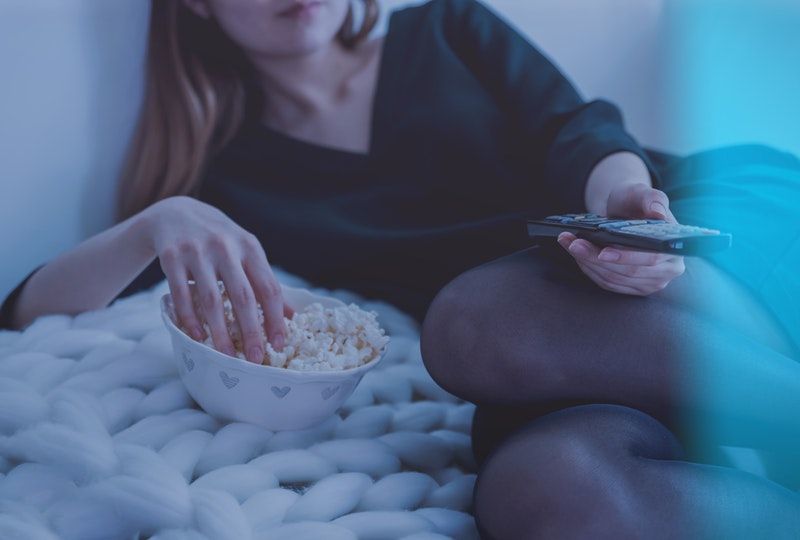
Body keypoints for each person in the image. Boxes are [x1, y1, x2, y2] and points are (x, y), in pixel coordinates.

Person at [1, 0, 798, 537]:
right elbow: (27, 315)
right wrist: (157, 222)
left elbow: (579, 129)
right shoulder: (232, 182)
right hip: (536, 358)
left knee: (473, 321)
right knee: (546, 490)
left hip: (679, 232)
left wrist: (626, 206)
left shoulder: (445, 28)